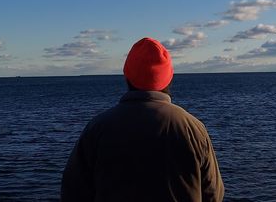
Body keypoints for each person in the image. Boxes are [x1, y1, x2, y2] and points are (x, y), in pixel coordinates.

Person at [61, 37, 224, 202]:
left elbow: (73, 192)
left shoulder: (97, 128)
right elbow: (213, 193)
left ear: (128, 76)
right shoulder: (193, 128)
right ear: (168, 78)